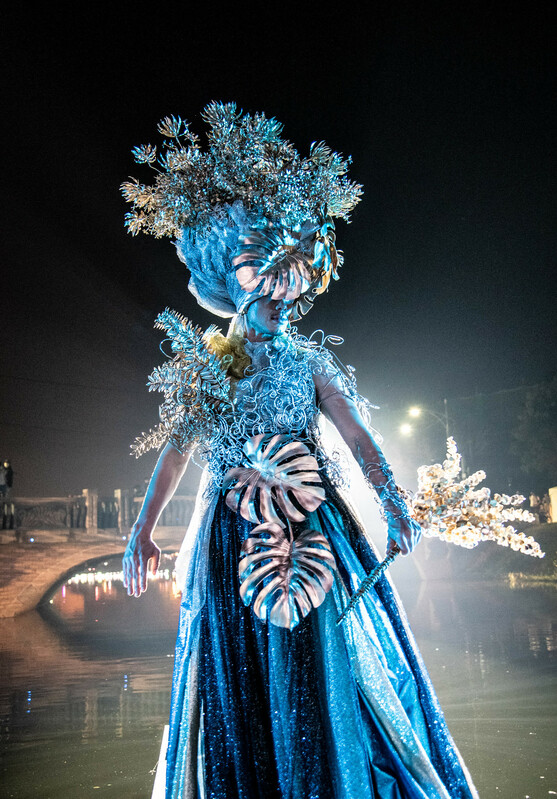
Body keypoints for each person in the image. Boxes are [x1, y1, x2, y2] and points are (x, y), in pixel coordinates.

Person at [122, 105, 478, 799]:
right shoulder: (211, 365)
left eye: (298, 283)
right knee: (241, 678)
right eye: (272, 277)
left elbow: (357, 437)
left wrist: (392, 501)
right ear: (238, 278)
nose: (289, 297)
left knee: (327, 670)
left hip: (315, 531)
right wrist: (141, 527)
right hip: (231, 543)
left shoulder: (309, 360)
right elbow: (175, 453)